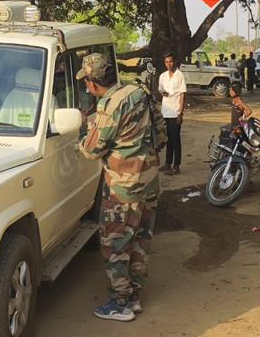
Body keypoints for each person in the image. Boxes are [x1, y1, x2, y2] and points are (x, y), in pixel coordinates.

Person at [76, 53, 160, 322]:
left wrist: (83, 127)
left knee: (115, 242)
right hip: (149, 180)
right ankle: (134, 296)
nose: (86, 87)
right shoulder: (138, 91)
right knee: (139, 240)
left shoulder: (110, 105)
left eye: (86, 81)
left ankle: (120, 303)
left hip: (124, 187)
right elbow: (162, 132)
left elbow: (91, 150)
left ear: (92, 82)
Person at [158, 52, 186, 175]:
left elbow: (182, 94)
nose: (169, 64)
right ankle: (168, 163)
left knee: (175, 140)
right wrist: (162, 93)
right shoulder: (163, 76)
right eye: (166, 62)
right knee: (168, 139)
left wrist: (180, 113)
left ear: (175, 62)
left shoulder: (179, 75)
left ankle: (176, 165)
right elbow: (160, 89)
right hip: (165, 111)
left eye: (171, 61)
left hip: (175, 112)